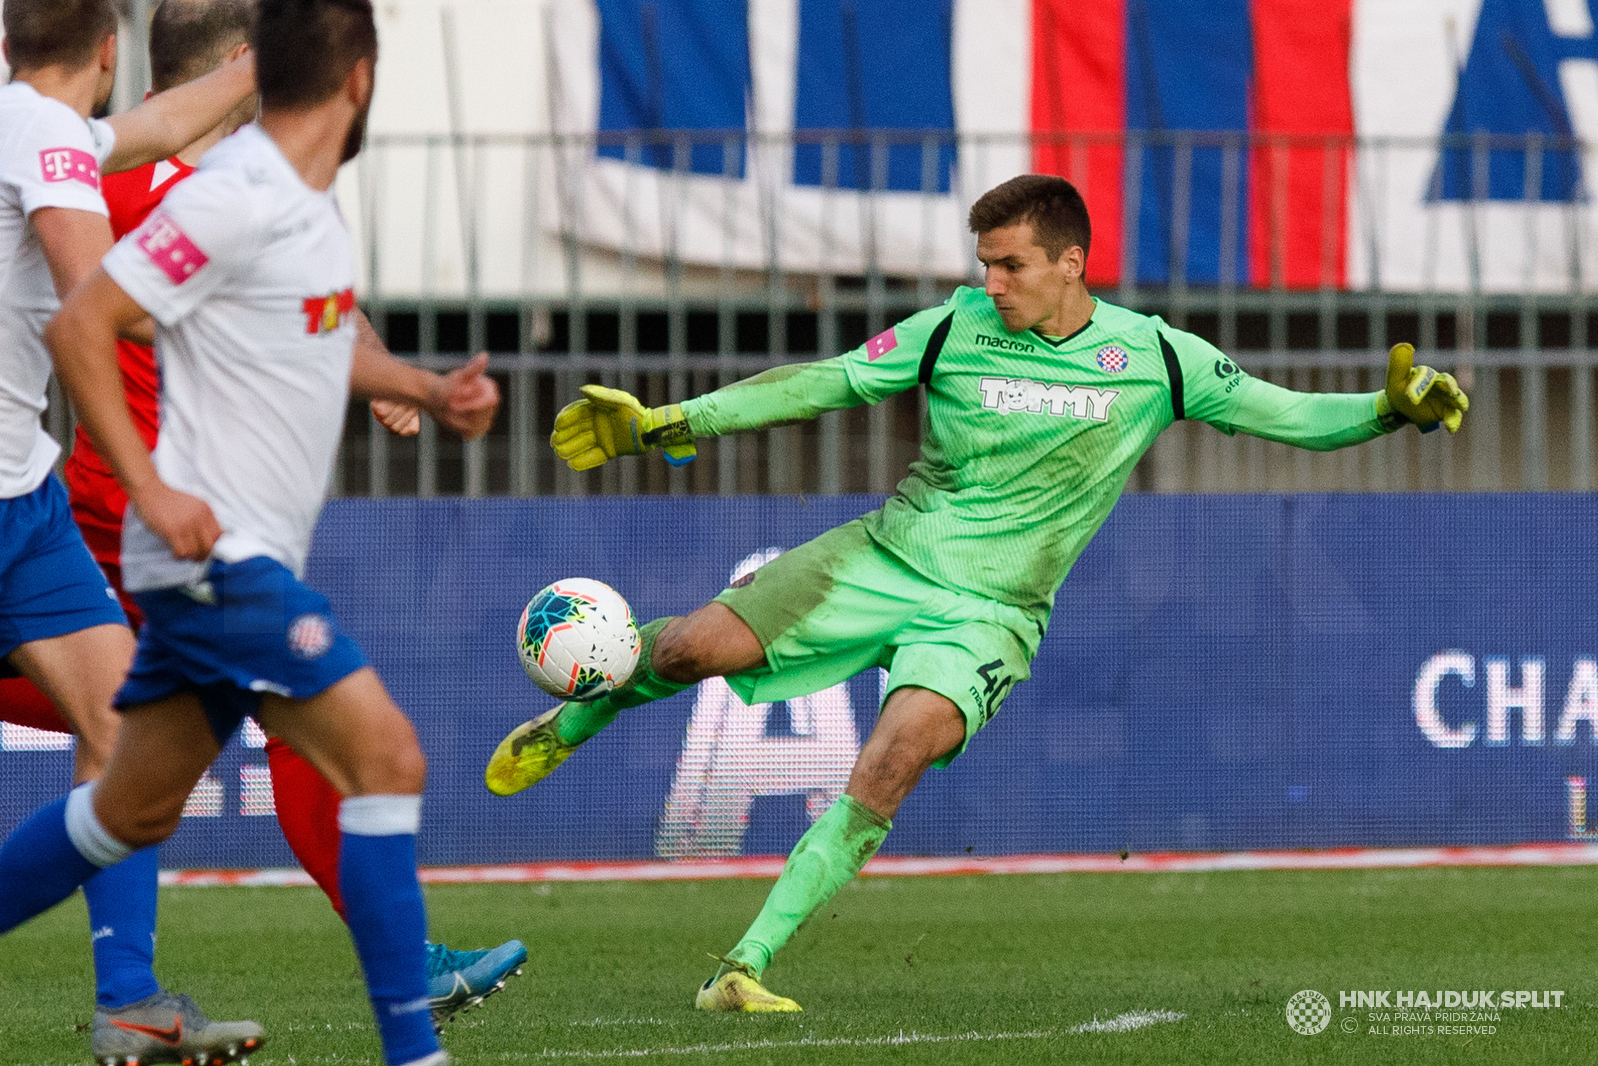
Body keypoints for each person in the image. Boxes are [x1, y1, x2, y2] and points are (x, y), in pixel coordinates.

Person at [484, 173, 1470, 1012]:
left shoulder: (1157, 356)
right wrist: (669, 418)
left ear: (1069, 262)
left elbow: (1288, 415)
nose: (989, 282)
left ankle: (741, 967)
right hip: (878, 559)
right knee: (685, 651)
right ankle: (570, 725)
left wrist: (1385, 410)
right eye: (984, 264)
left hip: (990, 615)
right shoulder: (949, 326)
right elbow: (822, 382)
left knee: (892, 759)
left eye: (1010, 265)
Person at [10, 1, 496, 1064]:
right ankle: (416, 1031)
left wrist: (418, 381)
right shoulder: (198, 192)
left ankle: (134, 996)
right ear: (358, 81)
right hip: (191, 553)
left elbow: (312, 320)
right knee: (385, 755)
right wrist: (152, 486)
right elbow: (86, 314)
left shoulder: (288, 203)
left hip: (103, 530)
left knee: (121, 805)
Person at [0, 0, 263, 1060]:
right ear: (110, 52)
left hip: (23, 496)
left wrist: (271, 63)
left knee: (126, 737)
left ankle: (133, 1002)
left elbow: (156, 129)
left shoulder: (38, 123)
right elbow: (95, 303)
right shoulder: (46, 136)